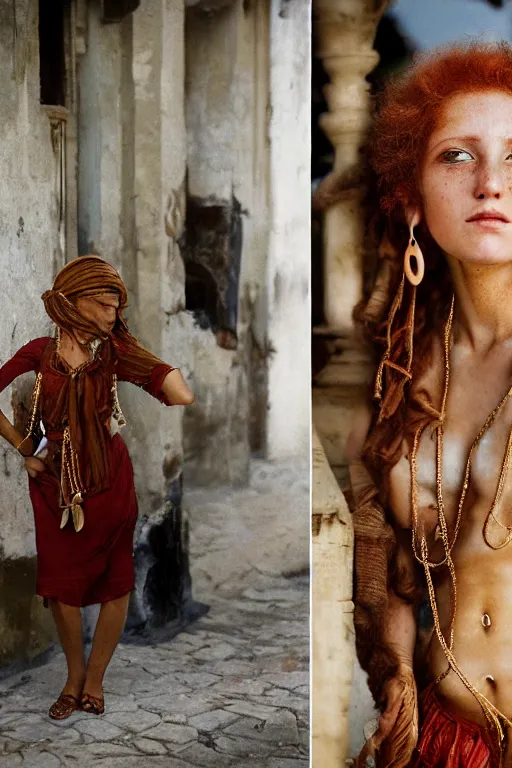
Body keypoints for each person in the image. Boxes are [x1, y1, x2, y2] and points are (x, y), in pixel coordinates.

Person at [348, 43, 512, 767]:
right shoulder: (398, 379)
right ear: (410, 196)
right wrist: (394, 677)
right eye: (457, 156)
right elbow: (383, 570)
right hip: (449, 740)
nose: (491, 184)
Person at [0, 255, 194, 721]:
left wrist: (149, 363)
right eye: (106, 305)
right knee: (60, 586)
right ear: (77, 303)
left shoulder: (114, 352)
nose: (114, 315)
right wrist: (24, 444)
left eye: (116, 307)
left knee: (114, 582)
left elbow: (180, 393)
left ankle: (95, 681)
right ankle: (72, 677)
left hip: (108, 481)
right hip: (53, 484)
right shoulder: (38, 353)